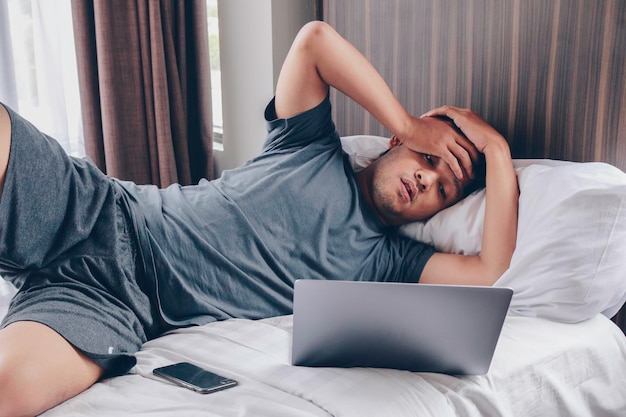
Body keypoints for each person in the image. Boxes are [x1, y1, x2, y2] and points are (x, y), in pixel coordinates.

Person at [0, 21, 518, 416]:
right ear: (398, 142)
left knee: (10, 391)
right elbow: (314, 41)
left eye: (443, 189)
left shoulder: (387, 262)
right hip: (101, 211)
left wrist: (496, 151)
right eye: (428, 159)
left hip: (116, 304)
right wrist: (410, 120)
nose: (428, 180)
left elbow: (489, 270)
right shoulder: (307, 143)